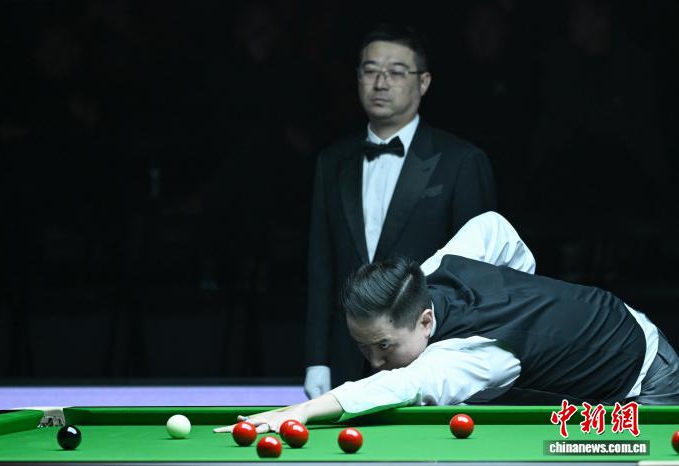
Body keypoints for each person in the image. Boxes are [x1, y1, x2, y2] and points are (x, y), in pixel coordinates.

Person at [217, 212, 679, 434]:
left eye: (384, 345)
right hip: (614, 332)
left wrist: (297, 412)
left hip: (643, 382)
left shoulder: (472, 356)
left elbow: (396, 387)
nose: (375, 361)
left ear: (425, 321)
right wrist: (523, 291)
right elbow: (494, 227)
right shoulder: (433, 272)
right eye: (364, 347)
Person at [304, 24, 496, 398]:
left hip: (429, 356)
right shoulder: (333, 161)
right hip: (348, 354)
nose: (380, 83)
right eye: (371, 71)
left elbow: (478, 274)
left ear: (423, 82)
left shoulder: (461, 161)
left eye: (395, 72)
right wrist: (316, 359)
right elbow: (321, 267)